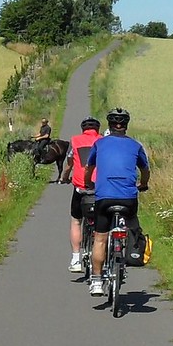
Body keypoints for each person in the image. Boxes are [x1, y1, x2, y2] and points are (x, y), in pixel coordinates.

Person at [83, 107, 150, 296]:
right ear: (126, 126)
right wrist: (143, 184)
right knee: (132, 227)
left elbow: (89, 168)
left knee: (100, 238)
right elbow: (145, 170)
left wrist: (89, 183)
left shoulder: (100, 144)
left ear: (110, 125)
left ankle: (96, 281)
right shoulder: (135, 146)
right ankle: (130, 249)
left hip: (104, 197)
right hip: (128, 198)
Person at [59, 116, 102, 272]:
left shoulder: (75, 140)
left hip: (81, 187)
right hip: (99, 189)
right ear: (97, 129)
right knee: (102, 222)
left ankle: (76, 259)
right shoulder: (102, 141)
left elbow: (69, 164)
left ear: (83, 129)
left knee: (76, 221)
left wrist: (64, 178)